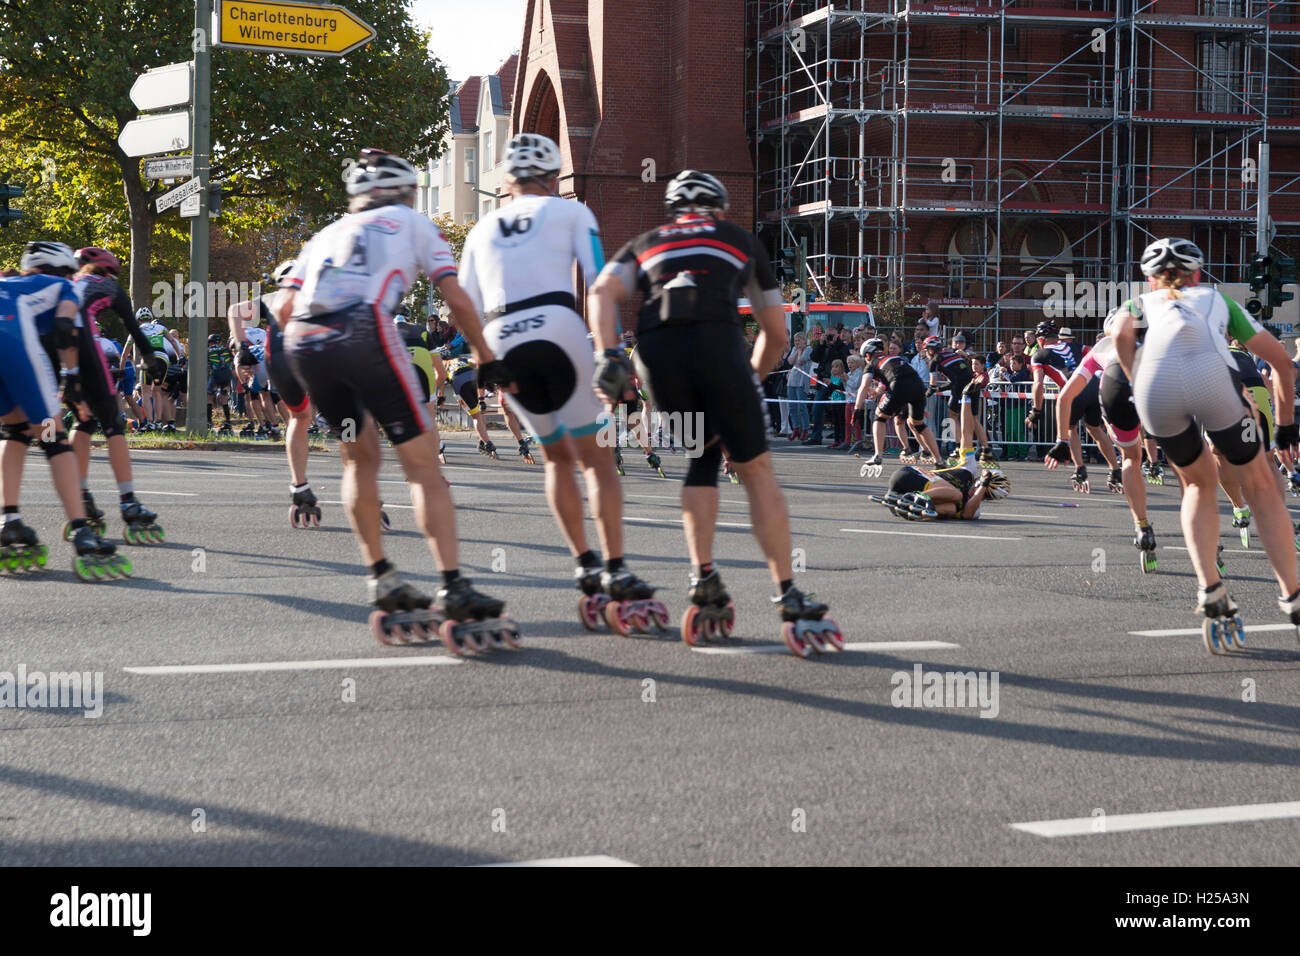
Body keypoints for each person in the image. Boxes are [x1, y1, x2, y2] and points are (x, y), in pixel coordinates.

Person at [589, 168, 840, 657]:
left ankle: (702, 578)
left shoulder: (649, 239)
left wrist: (609, 356)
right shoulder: (738, 238)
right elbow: (777, 333)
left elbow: (601, 293)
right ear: (719, 208)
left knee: (702, 458)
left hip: (656, 353)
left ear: (674, 210)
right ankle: (788, 593)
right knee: (756, 469)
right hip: (718, 345)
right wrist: (747, 378)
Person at [278, 147, 516, 652]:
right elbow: (454, 297)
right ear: (408, 191)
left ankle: (382, 578)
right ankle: (453, 584)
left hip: (305, 340)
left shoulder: (325, 233)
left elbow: (283, 308)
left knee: (357, 460)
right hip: (365, 328)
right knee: (422, 464)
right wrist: (486, 356)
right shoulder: (412, 222)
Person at [456, 132, 664, 636]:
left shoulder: (481, 229)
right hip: (558, 326)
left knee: (555, 458)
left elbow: (461, 304)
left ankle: (584, 564)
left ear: (506, 181)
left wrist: (485, 359)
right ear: (554, 179)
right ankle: (614, 566)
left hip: (502, 335)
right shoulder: (574, 212)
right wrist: (609, 353)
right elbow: (598, 282)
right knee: (597, 460)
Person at [1114, 237, 1300, 652]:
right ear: (1197, 273)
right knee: (1262, 486)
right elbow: (1282, 363)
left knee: (1198, 484)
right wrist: (1285, 425)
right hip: (1211, 380)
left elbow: (1121, 333)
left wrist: (1135, 376)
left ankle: (1210, 589)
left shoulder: (1139, 304)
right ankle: (1293, 596)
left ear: (1149, 279)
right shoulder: (1214, 299)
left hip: (1153, 391)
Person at [0, 241, 129, 578]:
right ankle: (82, 531)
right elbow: (63, 330)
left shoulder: (9, 283)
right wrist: (71, 379)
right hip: (15, 347)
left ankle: (9, 521)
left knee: (15, 430)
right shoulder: (62, 286)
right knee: (54, 439)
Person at [68, 247, 166, 543]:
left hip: (61, 353)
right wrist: (151, 361)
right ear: (106, 270)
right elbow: (134, 330)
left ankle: (81, 494)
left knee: (82, 422)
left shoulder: (67, 284)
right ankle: (128, 501)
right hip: (87, 347)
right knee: (113, 426)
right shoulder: (110, 287)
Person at [1048, 308, 1156, 570]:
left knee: (1130, 457)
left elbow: (1064, 398)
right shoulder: (1158, 341)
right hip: (1155, 376)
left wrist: (1062, 440)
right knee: (1190, 464)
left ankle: (1142, 527)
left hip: (1114, 384)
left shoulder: (1102, 346)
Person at [854, 337, 943, 473]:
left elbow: (864, 386)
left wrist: (857, 409)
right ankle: (939, 460)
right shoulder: (894, 358)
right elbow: (887, 381)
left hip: (899, 385)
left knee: (880, 417)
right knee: (919, 424)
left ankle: (878, 455)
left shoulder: (872, 363)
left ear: (867, 354)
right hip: (918, 386)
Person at [870, 460, 1010, 521]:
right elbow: (965, 432)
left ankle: (911, 508)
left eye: (984, 496)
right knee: (957, 495)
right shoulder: (967, 473)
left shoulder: (974, 508)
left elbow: (968, 515)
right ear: (977, 479)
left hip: (897, 494)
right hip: (909, 476)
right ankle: (916, 497)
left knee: (951, 508)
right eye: (978, 486)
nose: (977, 492)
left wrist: (983, 485)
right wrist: (965, 400)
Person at [121, 307, 182, 432]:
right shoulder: (161, 328)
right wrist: (180, 356)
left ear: (138, 320)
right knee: (157, 391)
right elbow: (173, 341)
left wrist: (121, 369)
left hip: (149, 359)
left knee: (146, 392)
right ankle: (158, 422)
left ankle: (149, 422)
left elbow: (125, 353)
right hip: (163, 359)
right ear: (151, 319)